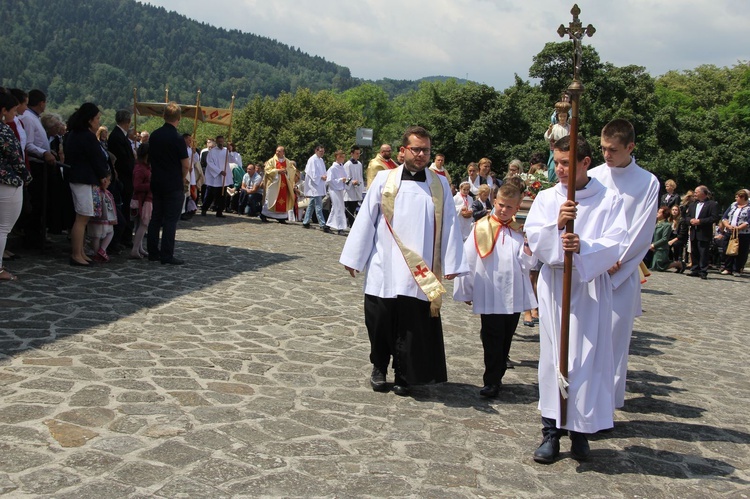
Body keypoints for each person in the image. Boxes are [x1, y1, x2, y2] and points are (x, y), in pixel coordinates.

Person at [340, 125, 467, 397]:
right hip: (384, 265)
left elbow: (449, 224)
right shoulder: (385, 179)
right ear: (402, 151)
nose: (421, 154)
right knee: (379, 321)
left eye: (426, 150)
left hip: (419, 272)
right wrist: (354, 257)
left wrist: (453, 262)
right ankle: (379, 367)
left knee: (412, 326)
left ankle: (405, 374)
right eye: (416, 149)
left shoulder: (439, 183)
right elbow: (366, 220)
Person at [525, 135, 627, 464]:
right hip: (556, 287)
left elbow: (615, 243)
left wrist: (583, 247)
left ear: (585, 163)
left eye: (567, 163)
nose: (560, 170)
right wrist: (556, 227)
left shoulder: (608, 199)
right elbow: (533, 237)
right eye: (557, 163)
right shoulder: (546, 197)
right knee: (554, 357)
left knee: (586, 359)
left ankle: (581, 431)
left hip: (590, 290)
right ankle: (551, 432)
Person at [589, 119, 659, 410]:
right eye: (603, 148)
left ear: (630, 147)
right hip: (590, 271)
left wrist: (616, 261)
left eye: (613, 150)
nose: (607, 155)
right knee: (588, 340)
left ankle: (608, 404)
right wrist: (594, 259)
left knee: (616, 341)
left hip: (622, 272)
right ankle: (585, 399)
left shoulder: (647, 182)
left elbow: (642, 230)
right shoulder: (592, 175)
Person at [453, 183, 536, 398]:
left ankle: (498, 372)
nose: (503, 210)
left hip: (513, 294)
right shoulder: (481, 227)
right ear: (494, 201)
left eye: (509, 207)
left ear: (517, 208)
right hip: (490, 292)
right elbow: (469, 259)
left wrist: (528, 247)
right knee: (491, 336)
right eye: (500, 205)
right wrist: (466, 289)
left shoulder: (519, 232)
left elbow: (528, 265)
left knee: (506, 336)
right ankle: (491, 380)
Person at [64, 103, 110, 266]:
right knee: (82, 217)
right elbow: (96, 159)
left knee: (84, 217)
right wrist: (103, 176)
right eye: (97, 118)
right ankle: (76, 253)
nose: (98, 121)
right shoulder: (86, 136)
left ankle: (81, 251)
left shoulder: (74, 134)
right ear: (90, 120)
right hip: (83, 179)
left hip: (79, 177)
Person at [146, 102, 189, 265]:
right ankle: (166, 254)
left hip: (157, 180)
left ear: (164, 116)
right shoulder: (178, 138)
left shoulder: (154, 135)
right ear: (179, 117)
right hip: (173, 183)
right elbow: (185, 164)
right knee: (171, 220)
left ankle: (152, 252)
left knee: (156, 217)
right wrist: (182, 177)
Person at [0, 91, 32, 281]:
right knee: (3, 228)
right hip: (7, 182)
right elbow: (15, 158)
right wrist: (26, 176)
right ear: (3, 110)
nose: (15, 114)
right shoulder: (4, 131)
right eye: (12, 110)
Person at [108, 110, 135, 247]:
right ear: (128, 120)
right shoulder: (117, 136)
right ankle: (122, 237)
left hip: (126, 177)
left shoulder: (120, 136)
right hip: (123, 177)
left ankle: (125, 236)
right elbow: (124, 160)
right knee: (123, 207)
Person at [685, 185, 720, 279]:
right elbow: (687, 216)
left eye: (696, 192)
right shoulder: (692, 204)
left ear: (703, 193)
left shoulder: (712, 204)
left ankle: (703, 270)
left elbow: (714, 217)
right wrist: (690, 221)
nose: (695, 194)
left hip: (704, 232)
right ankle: (695, 269)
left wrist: (700, 221)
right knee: (694, 251)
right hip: (693, 231)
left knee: (703, 252)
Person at [261, 145, 296, 223]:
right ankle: (264, 215)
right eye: (277, 151)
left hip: (283, 185)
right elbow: (267, 171)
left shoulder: (287, 161)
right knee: (271, 199)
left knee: (283, 200)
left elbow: (292, 170)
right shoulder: (271, 161)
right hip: (274, 184)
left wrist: (286, 171)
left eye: (279, 151)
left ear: (283, 152)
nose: (277, 152)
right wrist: (277, 171)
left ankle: (281, 218)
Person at [88, 173, 117, 262]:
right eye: (108, 180)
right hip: (105, 219)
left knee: (96, 237)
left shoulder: (94, 191)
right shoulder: (106, 193)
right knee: (110, 232)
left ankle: (96, 253)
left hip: (94, 218)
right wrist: (114, 218)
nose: (109, 182)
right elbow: (111, 207)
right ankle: (102, 250)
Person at [719, 189, 749, 277]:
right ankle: (728, 268)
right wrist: (727, 225)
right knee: (727, 249)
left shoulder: (748, 207)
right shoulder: (733, 205)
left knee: (740, 251)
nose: (736, 199)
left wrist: (739, 228)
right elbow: (725, 216)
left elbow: (748, 221)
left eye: (737, 197)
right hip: (729, 231)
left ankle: (737, 269)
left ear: (743, 197)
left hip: (743, 233)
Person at [130, 143, 152, 259]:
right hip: (142, 200)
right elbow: (137, 186)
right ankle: (135, 249)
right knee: (143, 224)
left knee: (141, 224)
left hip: (143, 199)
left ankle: (139, 247)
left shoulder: (143, 167)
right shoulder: (140, 168)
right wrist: (151, 185)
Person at [201, 135, 230, 218]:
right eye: (219, 141)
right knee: (210, 194)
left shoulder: (226, 151)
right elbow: (210, 163)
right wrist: (219, 171)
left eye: (222, 141)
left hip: (223, 177)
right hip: (214, 177)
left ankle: (219, 211)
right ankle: (204, 209)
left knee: (222, 195)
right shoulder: (212, 152)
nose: (220, 143)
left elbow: (232, 160)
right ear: (216, 142)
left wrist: (230, 151)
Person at [301, 145, 328, 230]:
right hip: (314, 185)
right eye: (321, 151)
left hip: (319, 185)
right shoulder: (312, 160)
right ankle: (322, 224)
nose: (322, 153)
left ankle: (306, 221)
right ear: (316, 151)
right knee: (318, 205)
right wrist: (321, 177)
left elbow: (323, 171)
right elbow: (312, 173)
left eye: (323, 151)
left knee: (312, 204)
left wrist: (325, 176)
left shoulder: (321, 160)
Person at [649, 206, 683, 272]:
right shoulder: (655, 223)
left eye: (659, 212)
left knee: (658, 267)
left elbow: (664, 238)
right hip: (652, 248)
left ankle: (677, 264)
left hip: (661, 249)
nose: (657, 214)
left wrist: (654, 245)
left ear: (664, 214)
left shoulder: (666, 225)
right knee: (650, 266)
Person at [326, 150, 348, 235]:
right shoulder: (332, 168)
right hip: (334, 190)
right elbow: (330, 180)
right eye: (342, 157)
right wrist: (340, 180)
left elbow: (345, 176)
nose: (343, 159)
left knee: (336, 208)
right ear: (338, 157)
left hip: (340, 189)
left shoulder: (342, 167)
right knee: (338, 208)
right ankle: (340, 228)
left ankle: (328, 225)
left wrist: (346, 180)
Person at [343, 146, 364, 227]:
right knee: (349, 208)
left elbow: (360, 176)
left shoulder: (359, 164)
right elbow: (346, 177)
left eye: (359, 153)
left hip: (357, 189)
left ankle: (351, 223)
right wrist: (352, 182)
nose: (358, 155)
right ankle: (352, 225)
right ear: (352, 154)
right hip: (350, 190)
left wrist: (360, 185)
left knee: (354, 207)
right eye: (356, 153)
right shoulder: (347, 164)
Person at [669, 204, 688, 270]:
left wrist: (673, 240)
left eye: (676, 210)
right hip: (671, 237)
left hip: (679, 238)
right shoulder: (669, 220)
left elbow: (681, 234)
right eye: (673, 210)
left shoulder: (682, 220)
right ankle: (670, 260)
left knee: (675, 244)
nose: (674, 211)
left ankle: (678, 261)